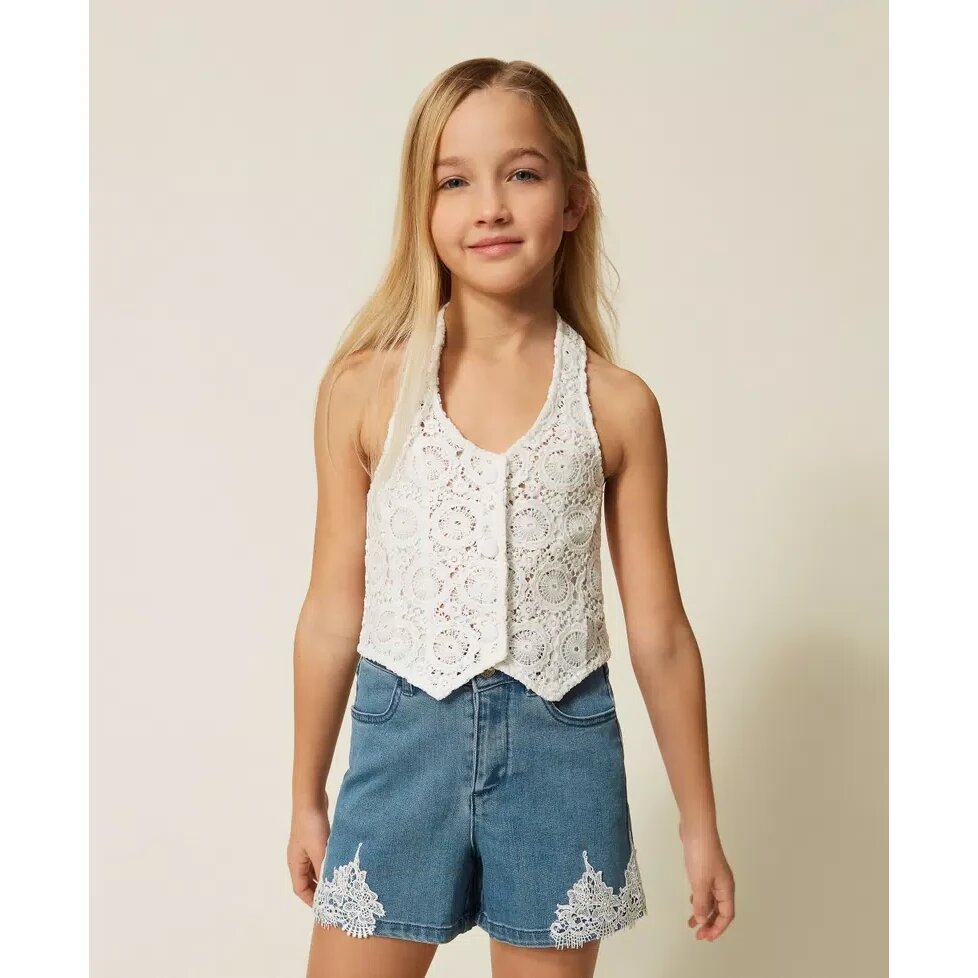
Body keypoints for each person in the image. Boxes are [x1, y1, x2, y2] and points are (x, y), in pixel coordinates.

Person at [288, 58, 735, 978]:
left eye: (522, 174)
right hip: (401, 749)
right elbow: (332, 610)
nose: (489, 207)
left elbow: (659, 634)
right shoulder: (364, 392)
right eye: (455, 181)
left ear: (574, 200)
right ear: (423, 209)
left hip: (561, 759)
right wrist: (305, 791)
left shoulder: (617, 406)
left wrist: (700, 825)